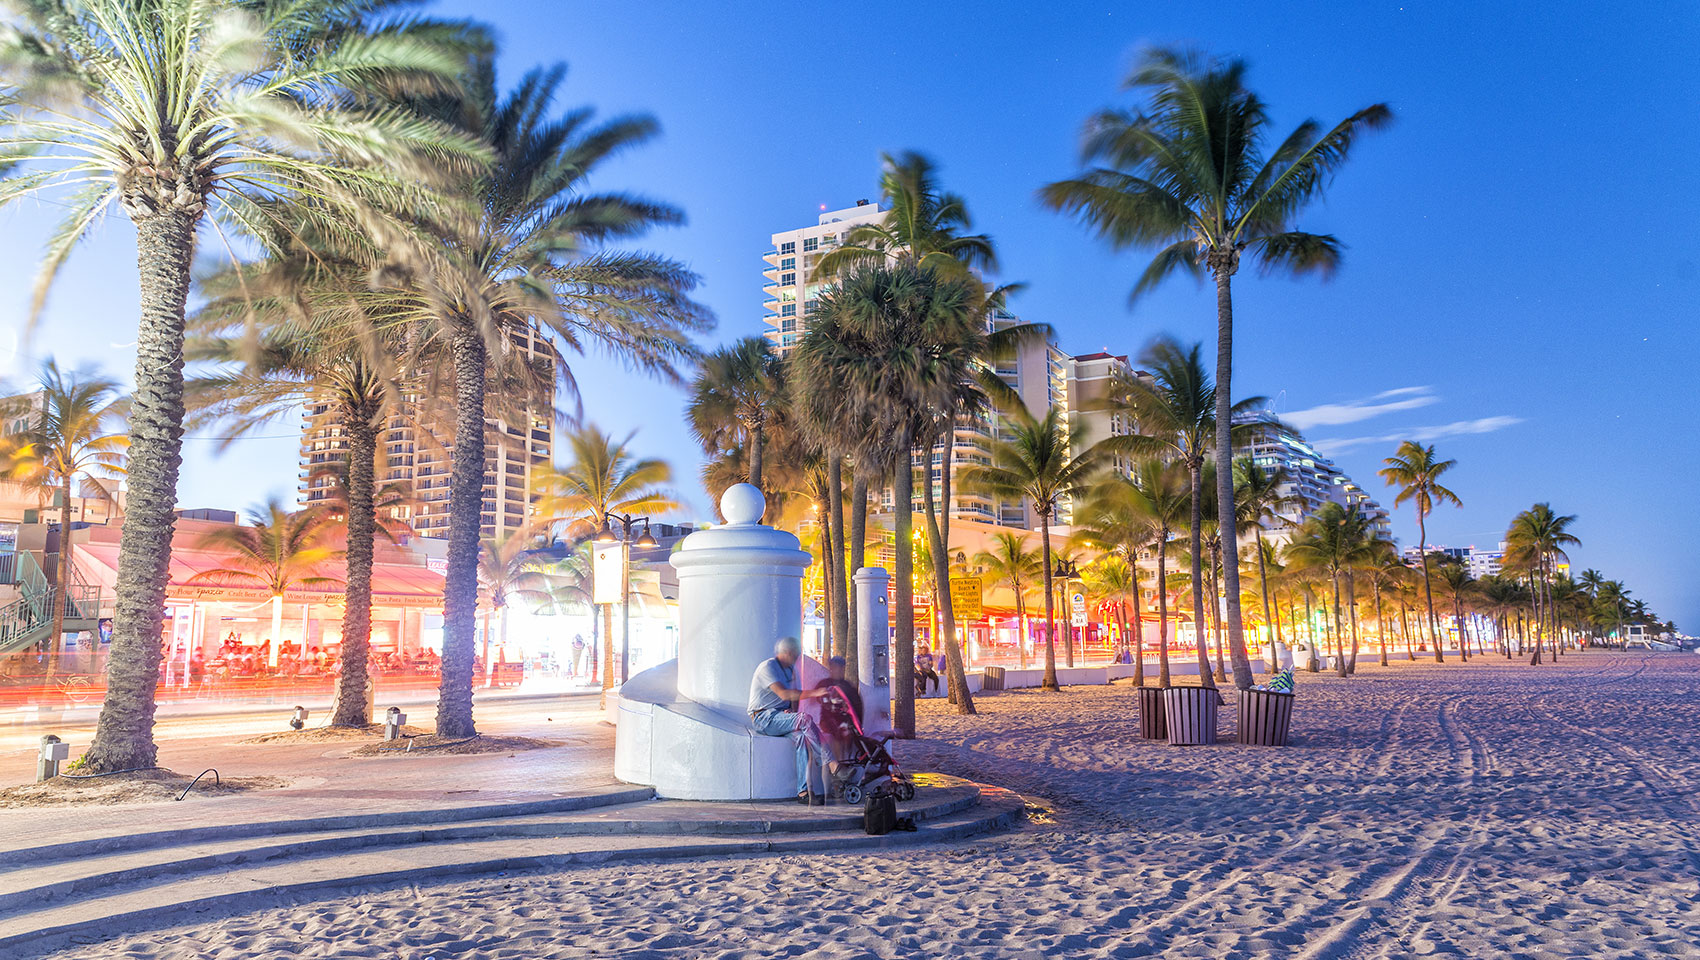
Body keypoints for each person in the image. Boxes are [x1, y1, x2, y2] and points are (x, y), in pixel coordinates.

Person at [748, 636, 826, 801]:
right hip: (763, 717)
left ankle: (803, 792)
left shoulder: (791, 670)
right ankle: (829, 762)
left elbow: (793, 699)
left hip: (780, 716)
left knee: (802, 738)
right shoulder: (767, 667)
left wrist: (791, 711)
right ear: (788, 653)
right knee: (805, 719)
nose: (797, 658)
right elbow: (783, 693)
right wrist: (815, 693)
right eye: (796, 655)